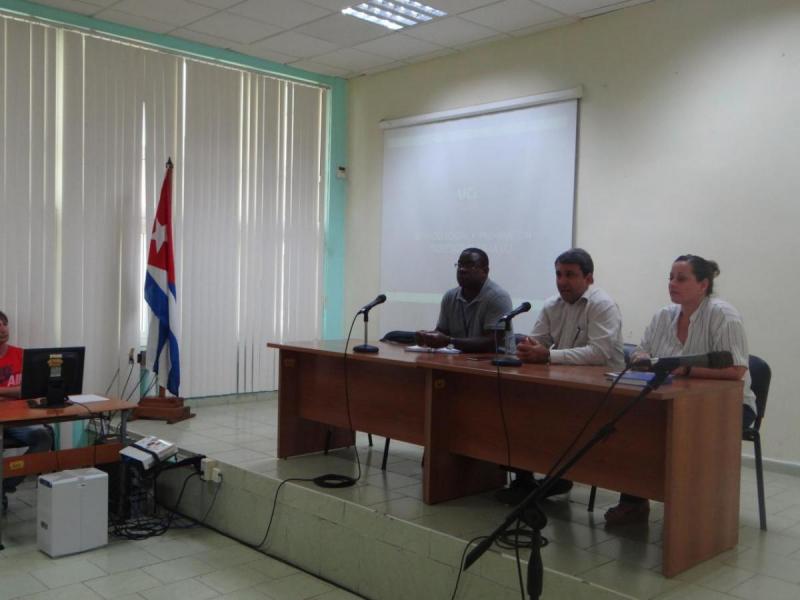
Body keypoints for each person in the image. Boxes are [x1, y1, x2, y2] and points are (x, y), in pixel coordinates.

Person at [603, 255, 755, 526]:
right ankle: (635, 502)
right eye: (670, 278)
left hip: (728, 406)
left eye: (681, 278)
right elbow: (642, 350)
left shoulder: (723, 315)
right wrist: (640, 358)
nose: (672, 284)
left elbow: (736, 370)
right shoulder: (664, 315)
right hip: (671, 399)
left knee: (682, 432)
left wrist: (684, 370)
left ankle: (697, 515)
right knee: (631, 424)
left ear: (703, 284)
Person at [496, 248, 625, 505]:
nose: (562, 281)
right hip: (563, 384)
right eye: (558, 274)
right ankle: (524, 480)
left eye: (570, 275)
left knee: (551, 419)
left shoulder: (602, 305)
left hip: (602, 391)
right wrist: (527, 347)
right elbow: (538, 341)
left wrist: (547, 356)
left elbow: (599, 353)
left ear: (589, 278)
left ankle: (561, 476)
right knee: (515, 407)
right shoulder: (552, 304)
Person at [0, 310, 53, 510]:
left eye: (4, 324)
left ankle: (5, 484)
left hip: (19, 417)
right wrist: (15, 392)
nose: (2, 329)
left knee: (43, 436)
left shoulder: (22, 355)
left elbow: (30, 389)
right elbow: (21, 390)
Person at [416, 248, 513, 353]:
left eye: (470, 265)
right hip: (460, 360)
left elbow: (491, 341)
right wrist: (428, 337)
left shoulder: (497, 297)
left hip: (495, 364)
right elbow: (442, 332)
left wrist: (449, 341)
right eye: (460, 265)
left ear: (485, 271)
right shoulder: (450, 296)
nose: (462, 269)